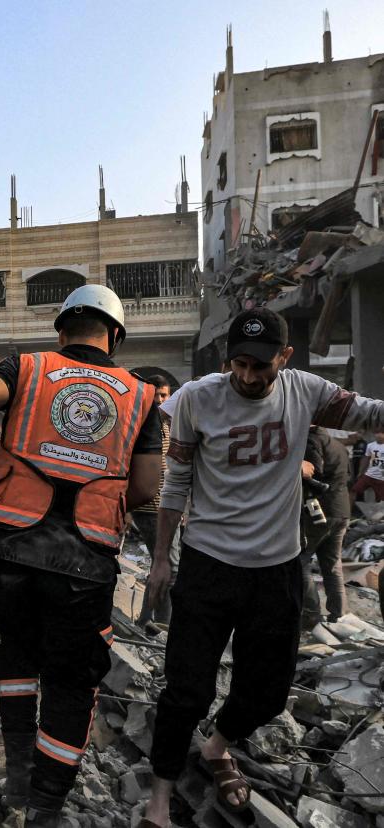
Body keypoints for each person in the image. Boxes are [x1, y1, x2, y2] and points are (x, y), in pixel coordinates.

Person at [140, 308, 384, 827]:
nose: (249, 377)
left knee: (268, 693)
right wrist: (161, 560)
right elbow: (175, 483)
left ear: (285, 358)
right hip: (208, 564)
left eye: (261, 367)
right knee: (186, 690)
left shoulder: (306, 392)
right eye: (239, 365)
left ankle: (216, 747)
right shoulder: (196, 400)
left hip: (277, 569)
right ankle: (158, 800)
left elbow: (368, 414)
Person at [0, 284, 162, 826]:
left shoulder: (28, 366)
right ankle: (45, 808)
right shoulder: (141, 395)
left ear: (61, 328)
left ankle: (19, 776)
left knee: (18, 653)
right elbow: (145, 488)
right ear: (114, 336)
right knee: (72, 683)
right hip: (84, 563)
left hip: (12, 548)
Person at [135, 375, 175, 628]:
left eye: (164, 396)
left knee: (163, 564)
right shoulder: (141, 423)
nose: (160, 400)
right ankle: (161, 623)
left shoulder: (168, 423)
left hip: (167, 505)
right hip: (149, 506)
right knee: (168, 564)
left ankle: (146, 621)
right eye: (156, 395)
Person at [301, 426, 349, 625]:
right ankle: (339, 615)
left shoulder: (311, 440)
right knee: (332, 565)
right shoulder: (338, 445)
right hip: (341, 509)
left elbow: (312, 472)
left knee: (300, 562)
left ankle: (311, 614)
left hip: (319, 511)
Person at [351, 430, 384, 502]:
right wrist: (361, 472)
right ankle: (348, 511)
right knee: (354, 490)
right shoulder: (370, 445)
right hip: (369, 475)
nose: (378, 435)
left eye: (381, 433)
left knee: (380, 499)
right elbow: (366, 458)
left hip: (381, 477)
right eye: (377, 433)